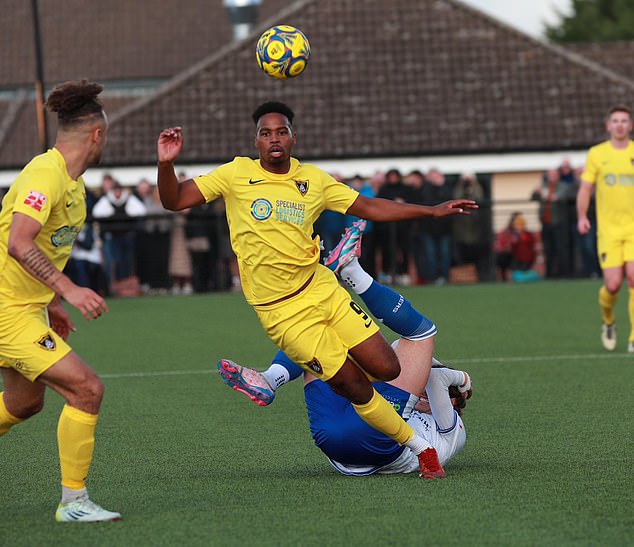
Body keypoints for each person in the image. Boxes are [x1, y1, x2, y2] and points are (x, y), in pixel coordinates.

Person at [156, 101, 477, 479]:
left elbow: (370, 206)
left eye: (281, 131)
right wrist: (166, 163)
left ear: (294, 137)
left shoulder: (314, 180)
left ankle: (274, 376)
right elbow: (174, 200)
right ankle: (421, 449)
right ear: (255, 140)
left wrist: (432, 210)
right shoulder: (235, 174)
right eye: (266, 132)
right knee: (356, 387)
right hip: (282, 313)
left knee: (387, 366)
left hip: (323, 290)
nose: (274, 138)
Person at [218, 223, 471, 475]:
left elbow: (437, 377)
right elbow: (417, 368)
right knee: (323, 334)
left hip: (378, 445)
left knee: (422, 334)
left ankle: (352, 270)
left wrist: (463, 380)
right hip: (333, 442)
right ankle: (271, 378)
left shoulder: (455, 430)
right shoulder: (414, 404)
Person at [0, 80, 120, 522]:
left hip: (25, 307)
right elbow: (19, 242)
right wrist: (69, 290)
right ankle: (74, 503)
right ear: (96, 135)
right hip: (6, 311)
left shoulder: (74, 187)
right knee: (86, 388)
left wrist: (50, 303)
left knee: (23, 404)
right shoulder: (44, 175)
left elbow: (41, 251)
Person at [577, 105, 634, 353]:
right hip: (609, 231)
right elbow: (586, 189)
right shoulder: (597, 154)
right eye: (615, 121)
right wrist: (582, 215)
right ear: (608, 126)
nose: (620, 125)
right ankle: (609, 321)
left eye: (624, 120)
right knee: (613, 285)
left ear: (630, 125)